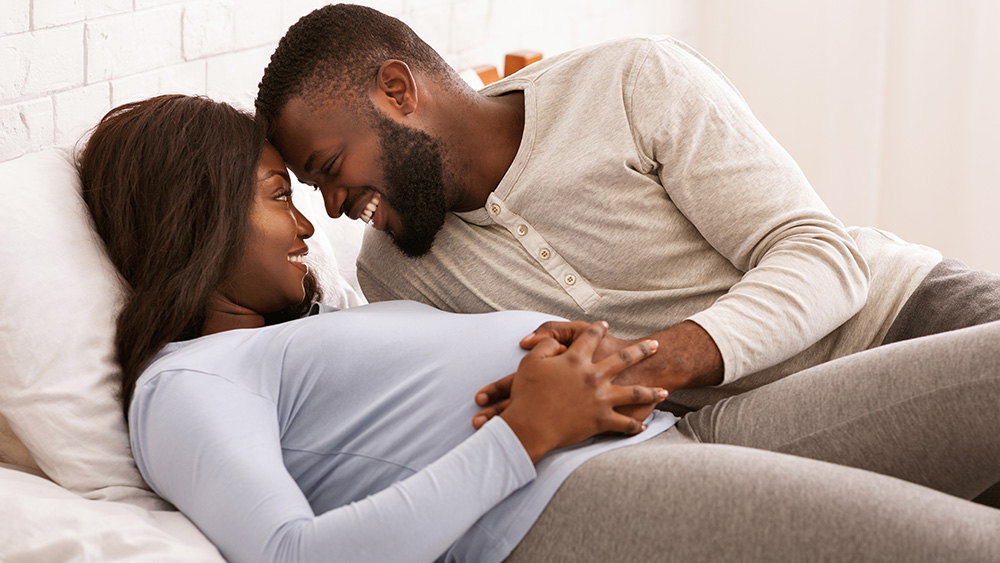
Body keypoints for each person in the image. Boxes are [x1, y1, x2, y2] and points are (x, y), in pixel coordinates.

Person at [80, 96, 1000, 563]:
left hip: (670, 430)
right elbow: (294, 556)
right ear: (197, 219)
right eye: (281, 196)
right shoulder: (187, 384)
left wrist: (576, 363)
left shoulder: (298, 333)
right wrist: (526, 432)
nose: (308, 226)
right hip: (567, 505)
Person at [255, 4, 1000, 505]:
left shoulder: (628, 83)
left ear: (396, 90)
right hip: (755, 441)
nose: (332, 206)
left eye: (328, 166)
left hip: (901, 317)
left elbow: (821, 256)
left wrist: (654, 359)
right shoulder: (390, 274)